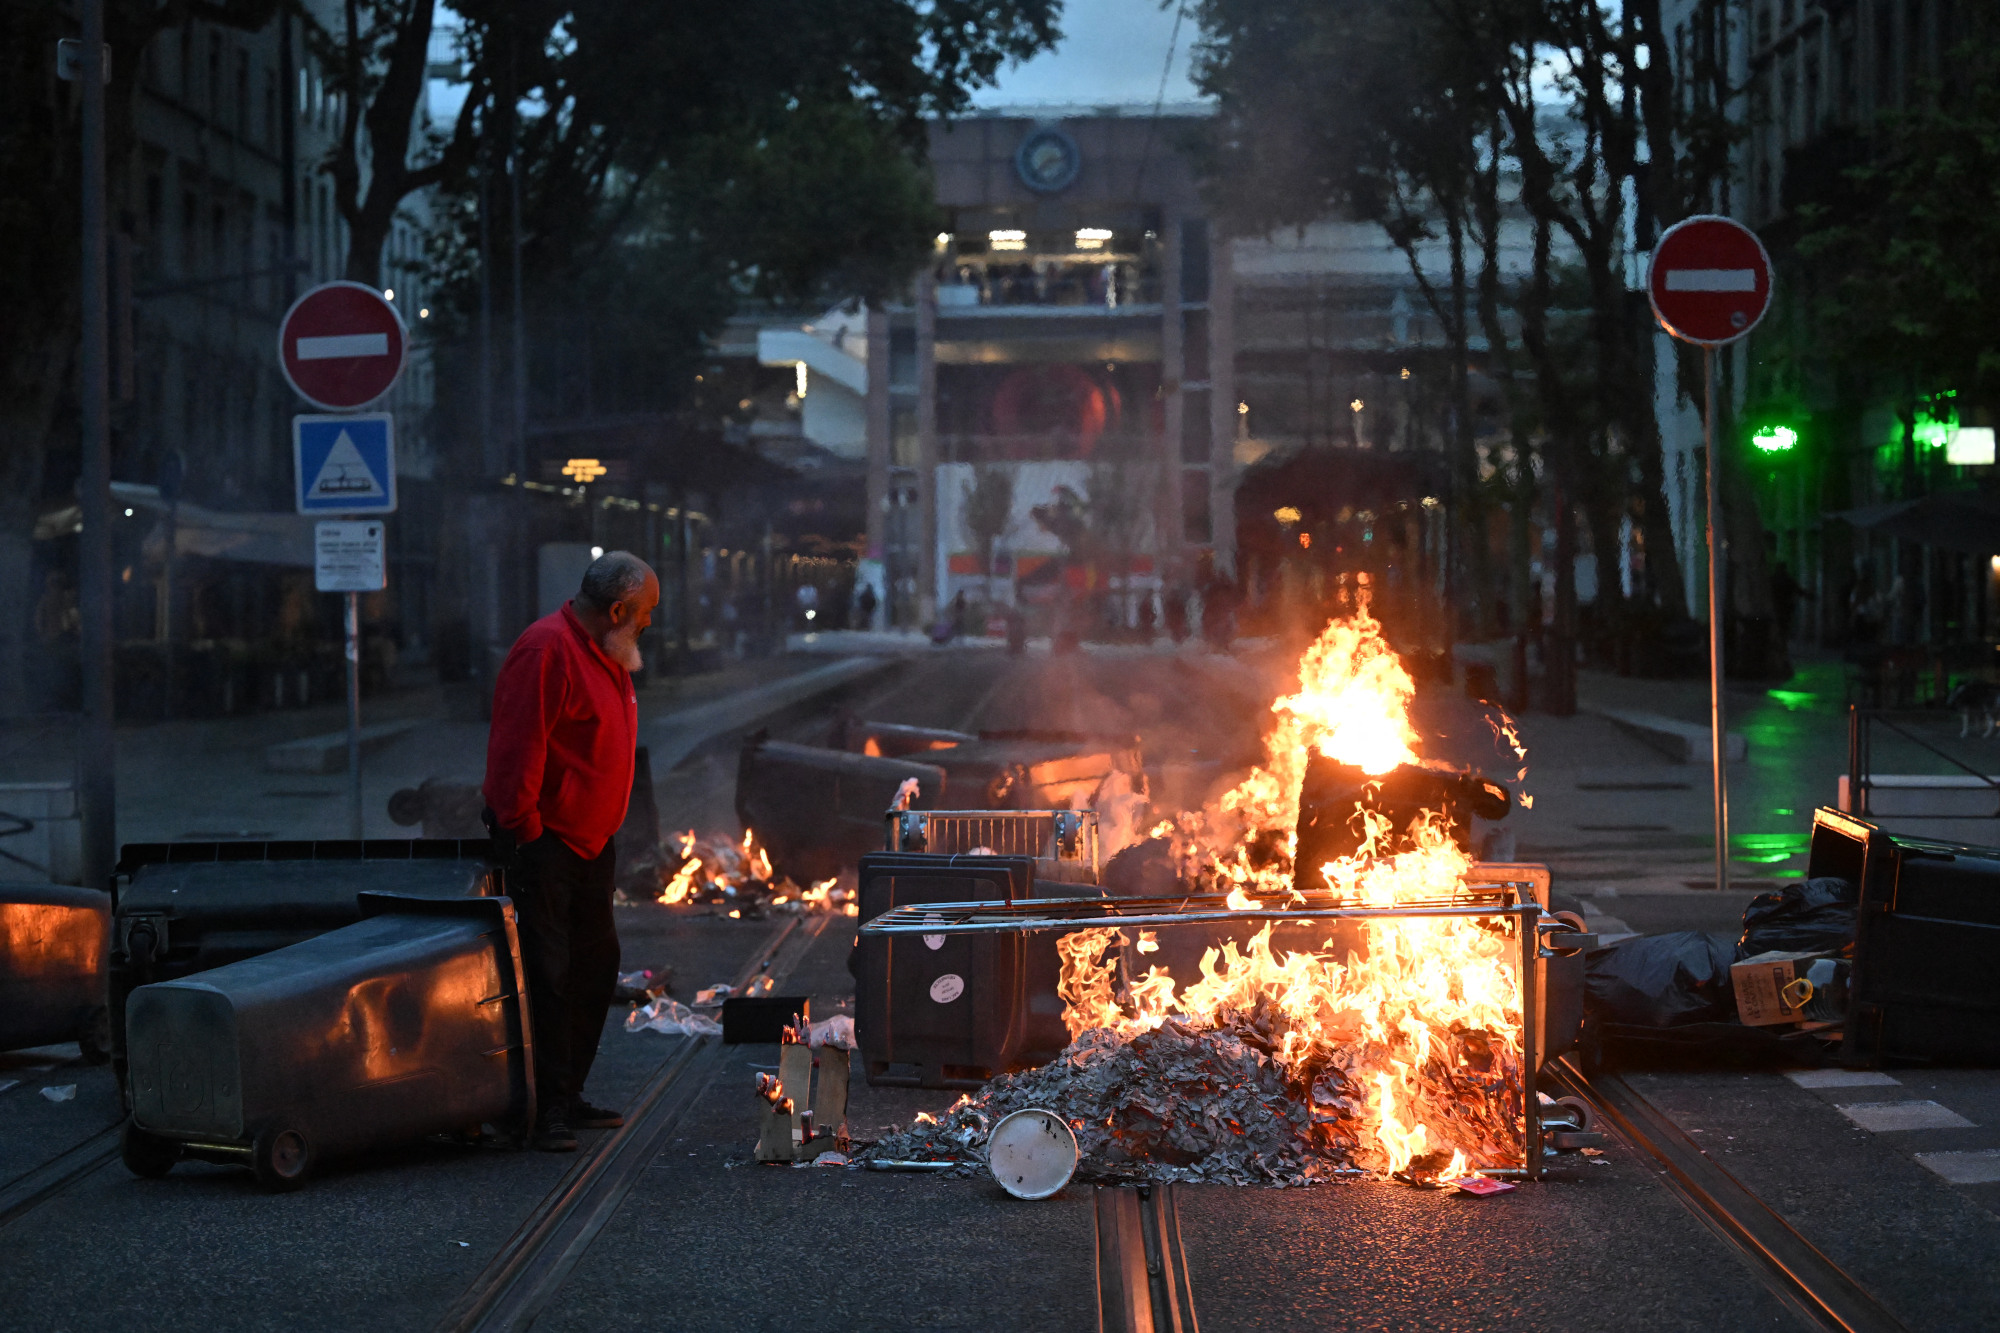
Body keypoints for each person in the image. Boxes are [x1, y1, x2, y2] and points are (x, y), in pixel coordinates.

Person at [483, 551, 659, 1151]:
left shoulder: (607, 652)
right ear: (618, 610)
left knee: (594, 967)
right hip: (547, 844)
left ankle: (568, 1092)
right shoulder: (546, 650)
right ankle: (544, 1109)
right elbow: (516, 753)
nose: (650, 622)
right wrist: (527, 831)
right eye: (646, 611)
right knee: (547, 975)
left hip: (589, 845)